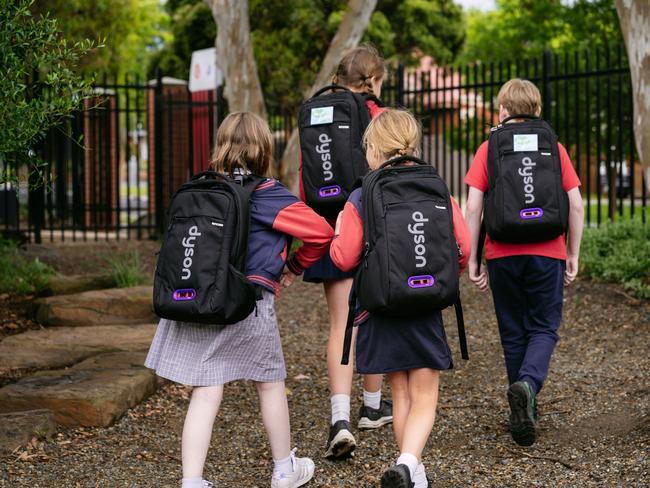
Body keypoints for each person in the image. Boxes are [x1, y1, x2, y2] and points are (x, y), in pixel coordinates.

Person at [145, 112, 334, 488]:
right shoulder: (267, 193)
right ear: (264, 149)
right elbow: (321, 231)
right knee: (269, 382)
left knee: (206, 386)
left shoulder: (201, 189)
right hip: (247, 303)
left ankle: (192, 480)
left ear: (221, 146)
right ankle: (284, 470)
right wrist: (295, 266)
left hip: (200, 298)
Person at [330, 109, 470, 488]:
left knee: (401, 392)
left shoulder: (363, 194)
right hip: (425, 305)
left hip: (382, 305)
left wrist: (338, 232)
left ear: (374, 149)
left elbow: (343, 257)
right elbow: (463, 246)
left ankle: (410, 470)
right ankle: (410, 464)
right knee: (425, 392)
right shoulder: (435, 185)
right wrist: (442, 277)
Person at [464, 78, 584, 446]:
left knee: (513, 330)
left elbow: (472, 206)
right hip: (547, 250)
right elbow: (576, 204)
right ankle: (528, 387)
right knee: (544, 327)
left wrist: (472, 258)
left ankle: (522, 397)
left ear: (502, 111)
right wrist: (573, 253)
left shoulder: (490, 147)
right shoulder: (554, 146)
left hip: (502, 253)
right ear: (537, 111)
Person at [299, 44, 391, 459]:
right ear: (371, 81)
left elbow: (303, 181)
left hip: (327, 226)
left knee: (341, 324)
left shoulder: (314, 114)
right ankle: (372, 407)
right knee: (374, 317)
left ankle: (340, 419)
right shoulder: (376, 116)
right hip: (368, 224)